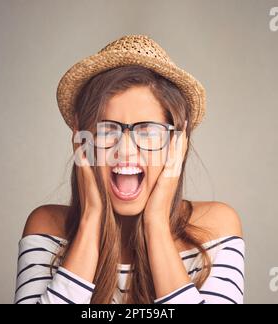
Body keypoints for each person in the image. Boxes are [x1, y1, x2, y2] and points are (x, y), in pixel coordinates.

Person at [14, 34, 244, 304]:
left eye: (147, 130)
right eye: (107, 129)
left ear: (177, 143)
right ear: (82, 141)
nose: (124, 150)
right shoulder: (47, 227)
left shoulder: (214, 228)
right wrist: (91, 220)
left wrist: (156, 224)